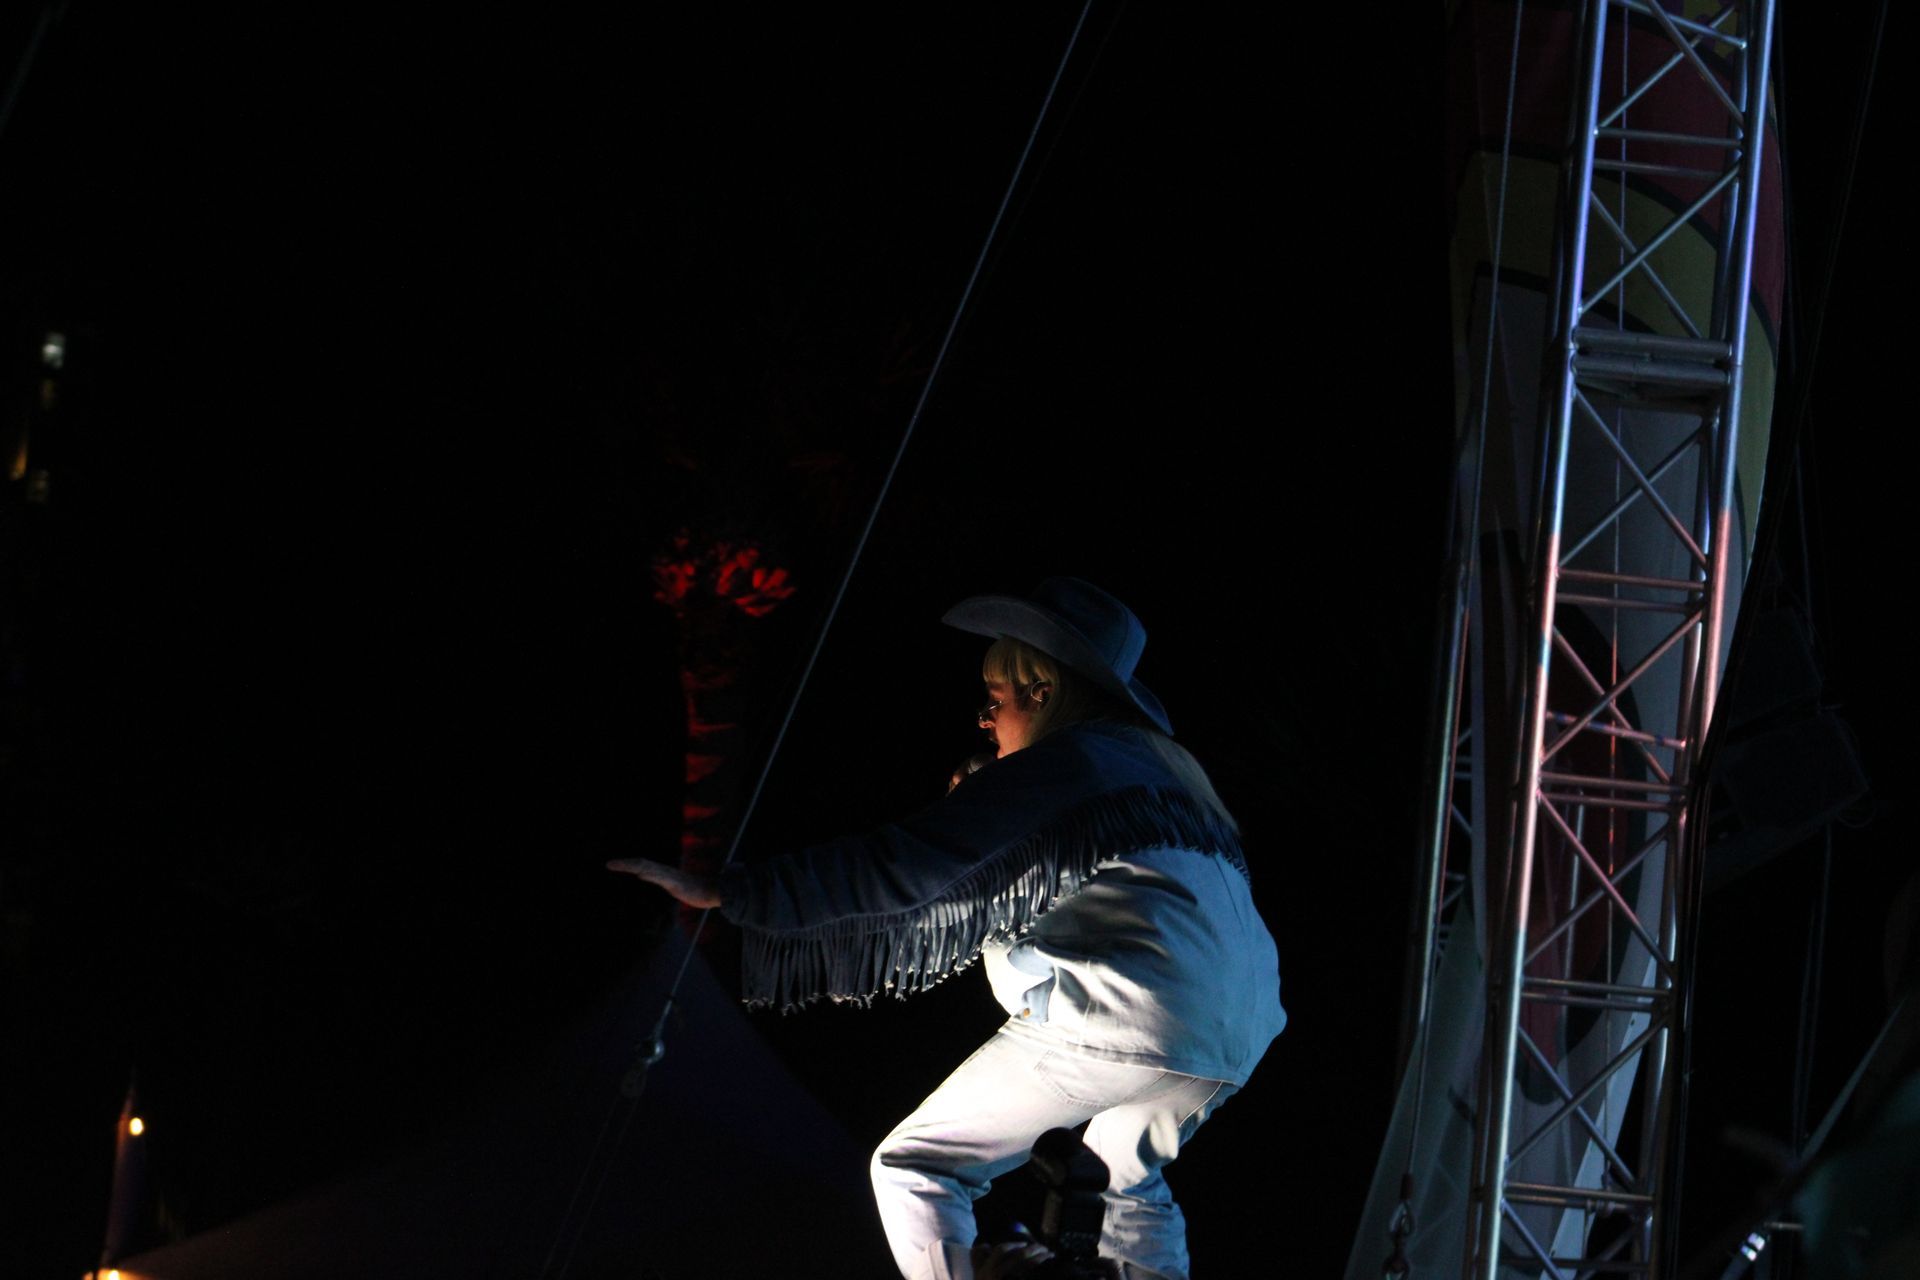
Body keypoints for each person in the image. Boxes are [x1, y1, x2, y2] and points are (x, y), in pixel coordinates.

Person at [609, 577, 1286, 1280]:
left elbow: (900, 864)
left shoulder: (1070, 761)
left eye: (995, 700)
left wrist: (736, 890)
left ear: (1043, 693)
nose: (985, 722)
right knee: (1124, 1181)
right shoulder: (1171, 779)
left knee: (917, 1164)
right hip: (1232, 1036)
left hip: (1130, 1012)